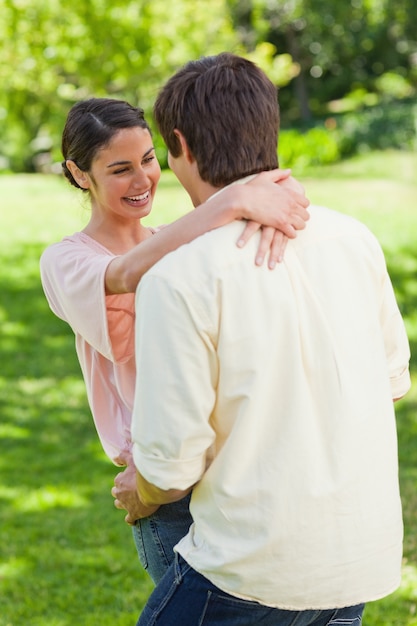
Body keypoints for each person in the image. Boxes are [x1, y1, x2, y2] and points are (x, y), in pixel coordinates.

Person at [131, 53, 411, 625]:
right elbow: (391, 384)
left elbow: (169, 466)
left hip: (248, 573)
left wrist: (141, 492)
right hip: (354, 565)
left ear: (179, 144)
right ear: (270, 128)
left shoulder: (178, 278)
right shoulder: (354, 240)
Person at [39, 97, 310, 584]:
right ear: (80, 174)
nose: (143, 180)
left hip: (233, 466)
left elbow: (275, 191)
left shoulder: (179, 237)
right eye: (120, 169)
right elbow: (122, 274)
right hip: (164, 485)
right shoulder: (67, 262)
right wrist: (229, 201)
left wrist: (268, 196)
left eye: (148, 158)